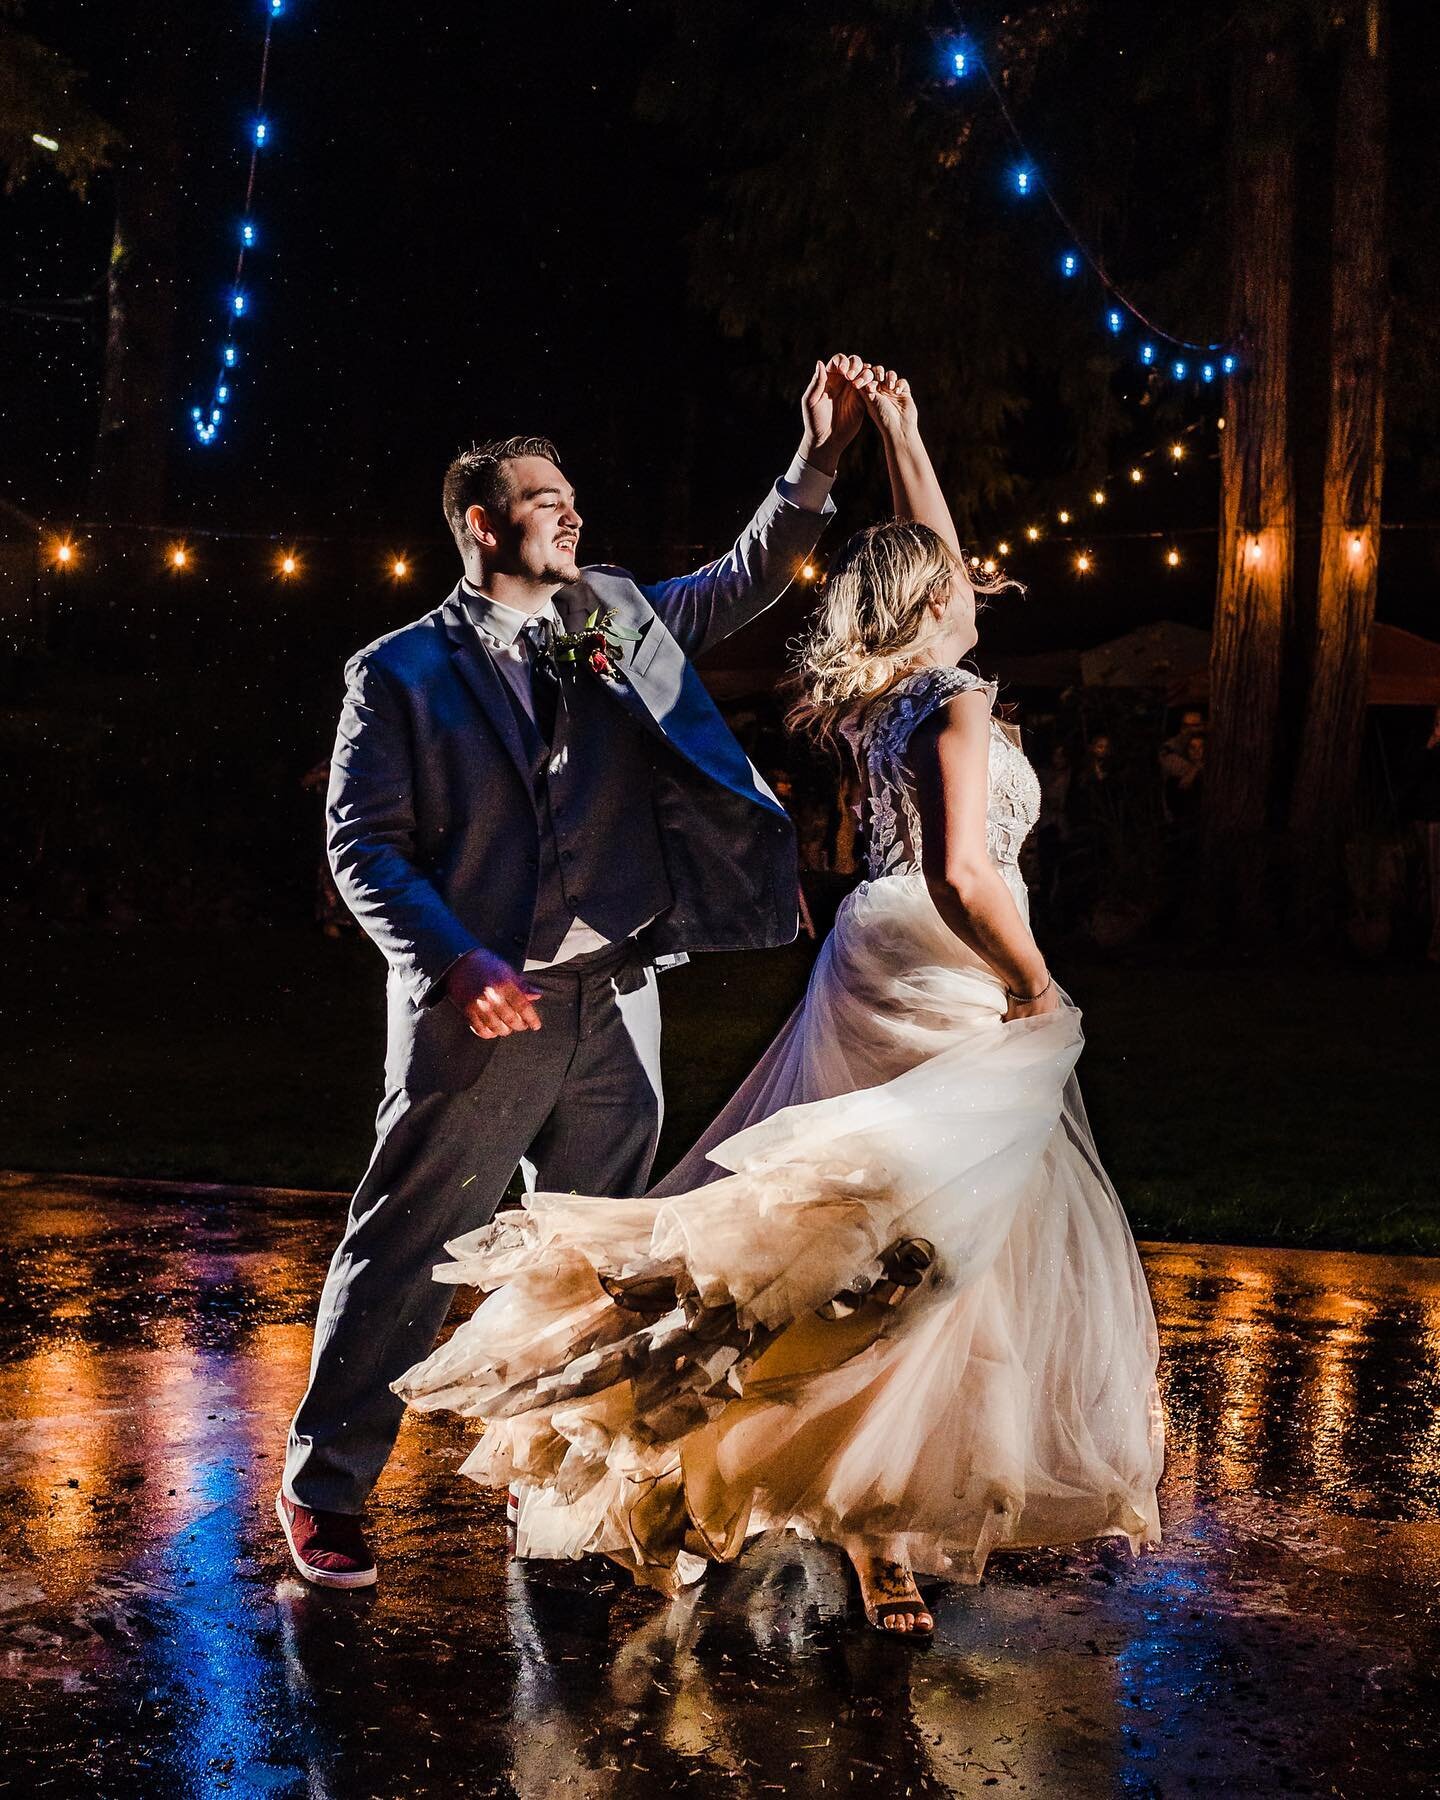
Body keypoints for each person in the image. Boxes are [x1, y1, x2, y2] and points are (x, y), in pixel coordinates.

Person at [393, 364, 1164, 1638]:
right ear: (939, 602)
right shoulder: (955, 694)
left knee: (857, 1249)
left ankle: (861, 1505)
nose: (971, 585)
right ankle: (869, 1517)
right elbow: (971, 871)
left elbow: (938, 575)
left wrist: (904, 433)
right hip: (946, 965)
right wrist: (1038, 982)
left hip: (874, 952)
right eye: (954, 579)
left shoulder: (895, 689)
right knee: (920, 1255)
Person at [277, 356, 870, 1589]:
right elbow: (362, 847)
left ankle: (567, 1490)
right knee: (408, 1248)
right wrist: (455, 959)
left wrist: (814, 461)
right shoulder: (397, 673)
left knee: (605, 1267)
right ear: (480, 522)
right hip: (482, 1010)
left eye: (574, 498)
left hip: (620, 993)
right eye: (547, 499)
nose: (573, 513)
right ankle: (326, 1489)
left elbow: (742, 580)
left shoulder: (610, 617)